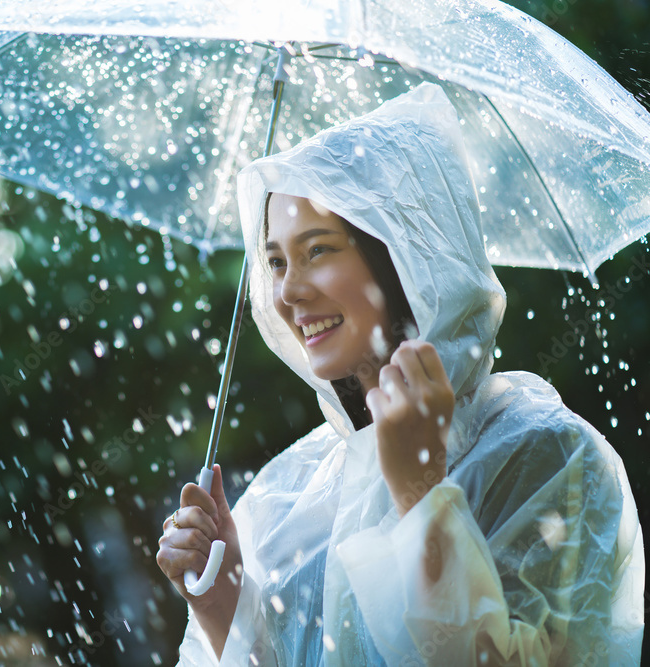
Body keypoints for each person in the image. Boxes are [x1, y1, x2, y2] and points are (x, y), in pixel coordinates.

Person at [155, 83, 645, 666]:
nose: (287, 292)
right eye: (277, 260)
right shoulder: (292, 491)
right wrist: (225, 608)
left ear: (405, 255)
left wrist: (421, 495)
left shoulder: (548, 455)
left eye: (318, 251)